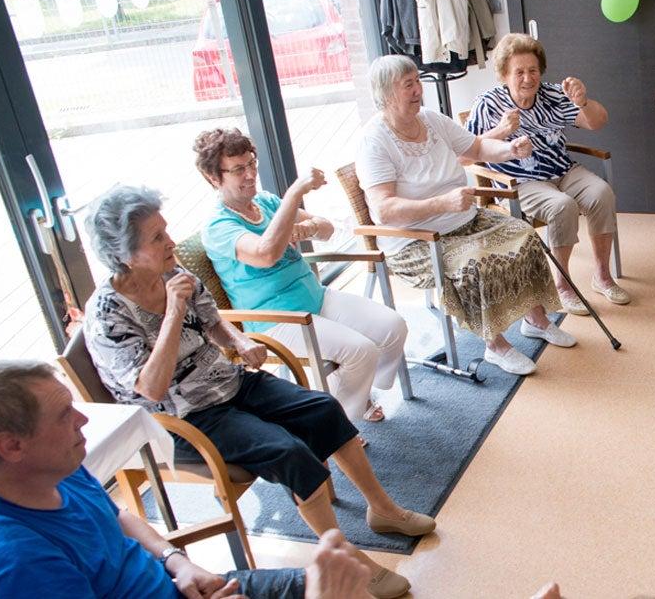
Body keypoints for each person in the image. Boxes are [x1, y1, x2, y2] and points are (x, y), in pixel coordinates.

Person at [80, 185, 429, 598]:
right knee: (287, 450)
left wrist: (238, 341)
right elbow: (151, 388)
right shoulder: (107, 314)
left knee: (323, 408)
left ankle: (382, 510)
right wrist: (173, 313)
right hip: (180, 418)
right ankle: (347, 558)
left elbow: (213, 321)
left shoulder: (174, 274)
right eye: (156, 238)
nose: (170, 242)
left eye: (166, 230)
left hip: (228, 382)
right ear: (123, 254)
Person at [0, 359, 371, 599]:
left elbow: (120, 516)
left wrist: (175, 561)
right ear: (11, 446)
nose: (83, 418)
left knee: (351, 586)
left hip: (174, 588)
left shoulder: (50, 472)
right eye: (62, 415)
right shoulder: (9, 566)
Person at [357, 54, 573, 376]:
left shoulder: (430, 119)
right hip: (416, 239)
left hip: (460, 217)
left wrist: (509, 149)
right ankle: (495, 345)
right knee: (478, 261)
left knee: (524, 234)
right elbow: (383, 209)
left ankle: (536, 320)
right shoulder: (373, 140)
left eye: (418, 81)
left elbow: (476, 148)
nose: (419, 90)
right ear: (387, 93)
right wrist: (441, 204)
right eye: (409, 85)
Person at [197, 128, 407, 423]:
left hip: (315, 296)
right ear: (213, 177)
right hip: (276, 318)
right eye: (238, 170)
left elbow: (328, 229)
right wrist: (295, 193)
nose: (250, 174)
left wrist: (312, 227)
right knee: (361, 351)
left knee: (393, 326)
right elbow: (264, 253)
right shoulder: (218, 226)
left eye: (251, 163)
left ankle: (351, 393)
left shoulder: (267, 203)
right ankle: (338, 423)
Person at [466, 33, 629, 315]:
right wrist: (502, 132)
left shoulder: (552, 94)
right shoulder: (489, 104)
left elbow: (598, 121)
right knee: (561, 206)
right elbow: (465, 154)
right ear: (504, 75)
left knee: (601, 193)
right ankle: (563, 285)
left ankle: (602, 276)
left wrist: (583, 101)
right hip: (522, 181)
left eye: (533, 70)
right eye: (519, 72)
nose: (528, 78)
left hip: (563, 172)